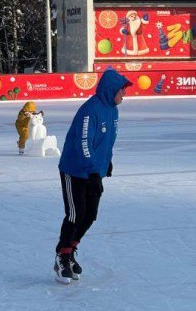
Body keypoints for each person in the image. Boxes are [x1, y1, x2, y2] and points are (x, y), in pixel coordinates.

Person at [54, 69, 131, 284]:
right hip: (75, 169)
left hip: (94, 170)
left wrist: (106, 161)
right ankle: (62, 255)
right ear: (112, 90)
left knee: (90, 215)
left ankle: (71, 250)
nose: (125, 94)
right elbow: (83, 143)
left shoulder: (113, 111)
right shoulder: (90, 110)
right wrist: (93, 170)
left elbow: (108, 141)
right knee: (75, 214)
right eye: (122, 90)